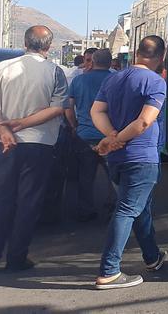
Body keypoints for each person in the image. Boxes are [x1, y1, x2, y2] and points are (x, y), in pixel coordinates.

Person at [0, 26, 68, 274]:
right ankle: (17, 258)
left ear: (25, 43)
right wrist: (24, 123)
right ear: (48, 46)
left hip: (2, 145)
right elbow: (58, 108)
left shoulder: (0, 69)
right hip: (38, 145)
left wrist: (5, 130)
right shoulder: (54, 72)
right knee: (28, 203)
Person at [90, 36, 167, 290]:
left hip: (117, 160)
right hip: (141, 157)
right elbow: (145, 122)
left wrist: (110, 137)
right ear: (161, 57)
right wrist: (118, 139)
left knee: (139, 208)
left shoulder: (114, 78)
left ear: (136, 53)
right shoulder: (155, 81)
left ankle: (152, 257)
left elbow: (96, 111)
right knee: (127, 210)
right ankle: (109, 271)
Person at [65, 49, 114, 221]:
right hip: (110, 136)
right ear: (111, 63)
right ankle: (112, 207)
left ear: (92, 62)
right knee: (113, 176)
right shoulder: (116, 80)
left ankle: (86, 209)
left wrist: (74, 126)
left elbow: (69, 108)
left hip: (84, 135)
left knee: (86, 176)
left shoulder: (79, 80)